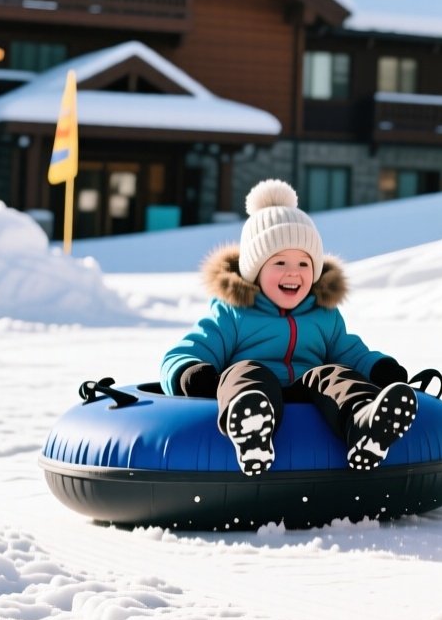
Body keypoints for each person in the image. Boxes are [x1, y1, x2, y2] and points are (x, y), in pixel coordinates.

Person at [161, 179, 417, 475]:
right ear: (254, 270)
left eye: (304, 264)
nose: (293, 272)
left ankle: (365, 425)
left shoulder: (324, 315)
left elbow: (351, 353)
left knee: (332, 373)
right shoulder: (233, 313)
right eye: (280, 262)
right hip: (258, 393)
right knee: (245, 370)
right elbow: (184, 352)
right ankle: (251, 428)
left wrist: (379, 369)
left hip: (309, 395)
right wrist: (189, 372)